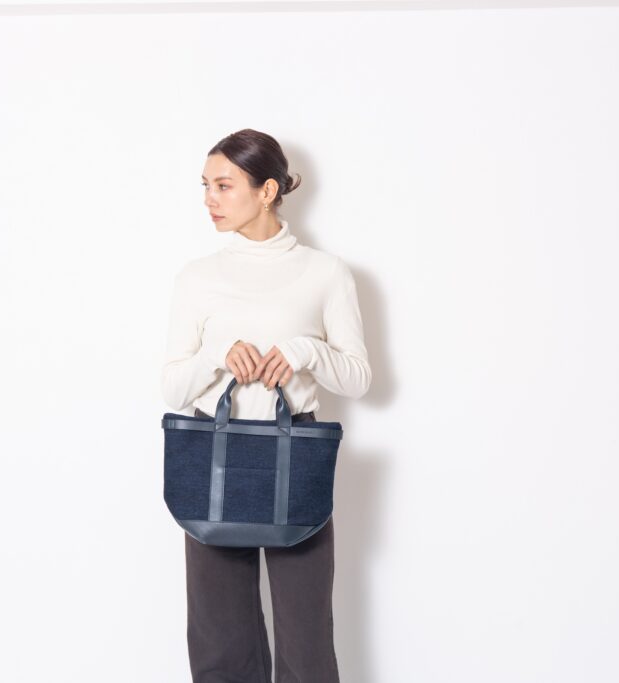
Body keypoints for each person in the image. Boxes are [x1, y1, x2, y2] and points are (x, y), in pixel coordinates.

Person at [160, 128, 372, 683]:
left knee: (305, 638)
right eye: (205, 186)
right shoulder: (197, 277)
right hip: (212, 452)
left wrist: (306, 352)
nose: (209, 199)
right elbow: (174, 389)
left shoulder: (325, 273)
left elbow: (358, 378)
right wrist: (216, 355)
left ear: (268, 190)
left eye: (224, 185)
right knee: (219, 642)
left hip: (294, 452)